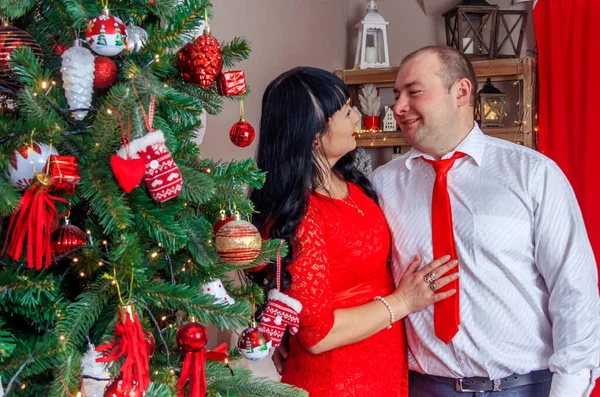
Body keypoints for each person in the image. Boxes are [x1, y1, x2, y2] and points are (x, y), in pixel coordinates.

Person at [368, 46, 600, 396]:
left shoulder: (533, 174)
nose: (398, 107)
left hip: (525, 386)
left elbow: (574, 292)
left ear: (461, 92)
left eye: (413, 92)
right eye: (396, 95)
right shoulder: (382, 185)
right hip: (424, 387)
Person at [249, 66, 458, 396]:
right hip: (338, 379)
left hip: (382, 365)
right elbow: (318, 336)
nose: (358, 118)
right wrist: (403, 301)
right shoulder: (304, 213)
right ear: (314, 133)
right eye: (347, 111)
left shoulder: (354, 184)